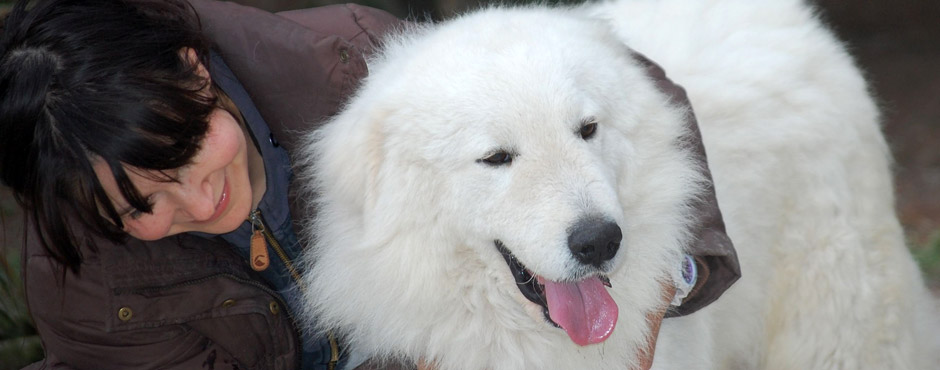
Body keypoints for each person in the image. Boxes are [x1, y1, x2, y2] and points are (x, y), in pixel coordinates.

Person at [0, 0, 740, 369]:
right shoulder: (87, 295)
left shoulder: (352, 61)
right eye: (142, 206)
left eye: (190, 149)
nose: (198, 201)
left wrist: (672, 272)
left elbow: (632, 88)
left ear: (193, 70)